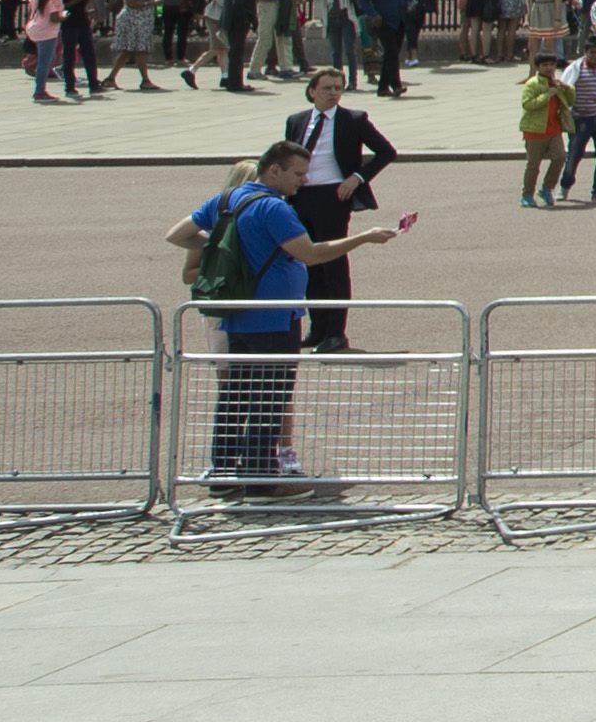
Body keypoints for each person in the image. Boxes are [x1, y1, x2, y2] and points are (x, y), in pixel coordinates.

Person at [168, 141, 418, 494]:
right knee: (269, 398)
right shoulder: (274, 208)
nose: (304, 181)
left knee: (235, 395)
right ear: (274, 170)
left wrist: (224, 246)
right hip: (274, 316)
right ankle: (262, 481)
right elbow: (310, 254)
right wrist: (362, 238)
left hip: (238, 314)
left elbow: (177, 235)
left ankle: (223, 474)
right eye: (298, 174)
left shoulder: (226, 200)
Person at [276, 70, 399, 353]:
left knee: (333, 264)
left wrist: (357, 177)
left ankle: (336, 332)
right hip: (300, 196)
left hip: (333, 196)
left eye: (338, 88)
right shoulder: (296, 121)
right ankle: (318, 327)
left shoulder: (353, 119)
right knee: (308, 263)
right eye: (327, 88)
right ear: (312, 92)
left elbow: (386, 151)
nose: (333, 93)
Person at [515, 46, 571, 207]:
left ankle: (547, 188)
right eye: (544, 65)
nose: (549, 68)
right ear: (538, 67)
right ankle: (527, 195)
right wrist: (547, 95)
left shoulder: (556, 83)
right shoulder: (532, 84)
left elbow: (570, 100)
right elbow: (527, 104)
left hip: (554, 129)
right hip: (535, 130)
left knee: (560, 157)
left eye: (551, 65)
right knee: (533, 165)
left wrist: (567, 89)